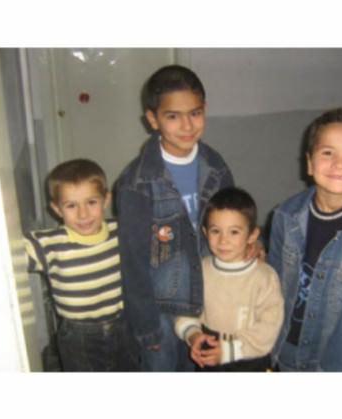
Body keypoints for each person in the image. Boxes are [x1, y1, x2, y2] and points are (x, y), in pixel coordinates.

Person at [115, 65, 235, 371]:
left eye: (195, 113)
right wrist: (146, 327)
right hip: (162, 313)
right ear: (153, 119)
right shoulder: (136, 183)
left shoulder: (216, 166)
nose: (187, 125)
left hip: (210, 298)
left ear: (205, 109)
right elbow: (133, 263)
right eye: (173, 116)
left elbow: (233, 220)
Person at [268, 108, 342, 372]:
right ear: (309, 163)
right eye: (328, 153)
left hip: (329, 361)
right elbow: (272, 284)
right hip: (282, 349)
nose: (339, 164)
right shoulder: (284, 215)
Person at [24, 158, 138, 372]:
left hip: (124, 325)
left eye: (91, 202)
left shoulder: (121, 231)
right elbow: (5, 255)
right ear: (57, 209)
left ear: (106, 200)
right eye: (71, 205)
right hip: (78, 336)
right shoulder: (47, 244)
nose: (83, 214)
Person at [174, 187, 284, 372]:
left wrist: (228, 351)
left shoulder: (265, 277)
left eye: (234, 232)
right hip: (208, 351)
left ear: (252, 235)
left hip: (249, 357)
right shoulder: (200, 270)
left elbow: (269, 328)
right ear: (205, 232)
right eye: (216, 231)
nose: (223, 240)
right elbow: (185, 310)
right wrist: (193, 335)